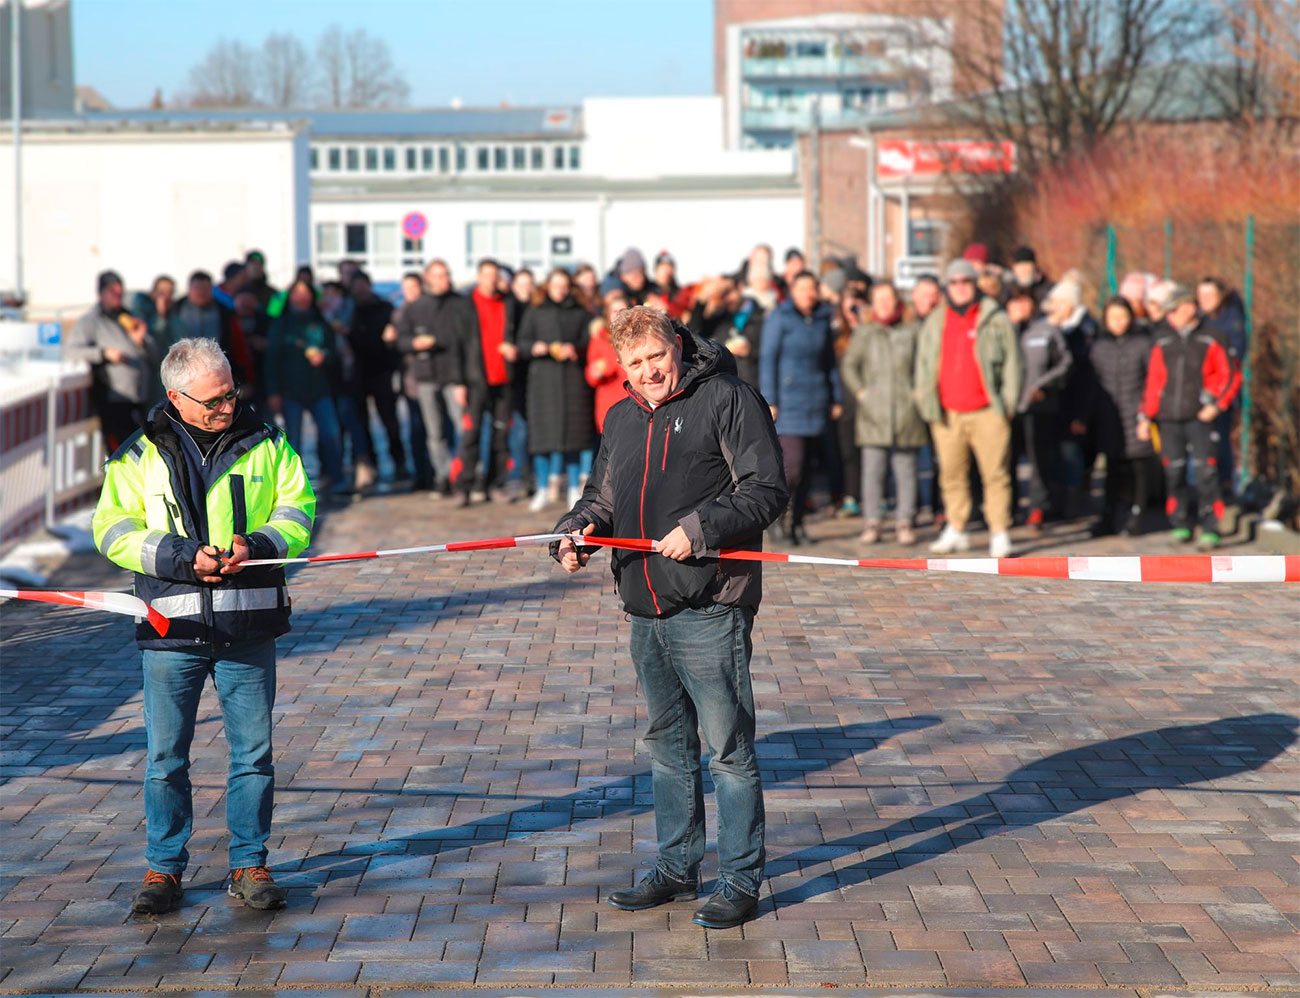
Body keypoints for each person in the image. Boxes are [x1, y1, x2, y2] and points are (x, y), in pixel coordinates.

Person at [552, 306, 787, 929]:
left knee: (728, 750)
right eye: (635, 362)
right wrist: (574, 531)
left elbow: (766, 489)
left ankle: (739, 877)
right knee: (667, 748)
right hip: (643, 604)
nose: (650, 370)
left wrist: (701, 528)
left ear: (677, 345)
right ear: (621, 368)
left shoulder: (729, 399)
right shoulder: (621, 417)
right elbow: (601, 497)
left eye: (657, 355)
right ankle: (678, 868)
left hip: (710, 603)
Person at [91, 336, 315, 915]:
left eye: (231, 395)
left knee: (254, 755)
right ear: (176, 396)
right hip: (172, 629)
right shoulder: (135, 455)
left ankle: (250, 863)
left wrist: (260, 544)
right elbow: (112, 530)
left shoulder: (267, 442)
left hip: (249, 627)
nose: (227, 408)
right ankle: (164, 869)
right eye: (214, 401)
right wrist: (178, 556)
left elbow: (298, 510)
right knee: (165, 759)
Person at [913, 258, 1023, 558]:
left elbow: (1013, 364)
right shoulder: (936, 320)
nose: (960, 287)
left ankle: (999, 531)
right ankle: (957, 528)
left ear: (974, 285)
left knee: (995, 474)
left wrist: (1008, 405)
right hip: (948, 413)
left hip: (988, 411)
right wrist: (926, 401)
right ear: (947, 287)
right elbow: (924, 364)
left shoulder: (995, 318)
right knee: (951, 474)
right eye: (954, 282)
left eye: (966, 281)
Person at [1138, 285, 1235, 549]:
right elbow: (1154, 381)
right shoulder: (1162, 339)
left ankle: (1210, 526)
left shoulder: (1213, 336)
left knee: (1206, 471)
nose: (1170, 316)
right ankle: (1180, 523)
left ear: (1190, 308)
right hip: (1169, 417)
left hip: (1200, 416)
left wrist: (1216, 403)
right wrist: (1145, 416)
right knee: (1174, 471)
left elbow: (1230, 375)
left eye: (1174, 310)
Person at [840, 281, 926, 545]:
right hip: (873, 412)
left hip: (905, 410)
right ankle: (873, 521)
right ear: (872, 304)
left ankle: (905, 521)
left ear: (897, 301)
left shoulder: (912, 330)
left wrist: (917, 392)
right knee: (873, 471)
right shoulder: (865, 333)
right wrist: (862, 392)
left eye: (889, 298)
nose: (885, 304)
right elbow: (849, 365)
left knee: (906, 470)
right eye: (880, 300)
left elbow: (924, 363)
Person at [759, 270, 842, 544]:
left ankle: (797, 523)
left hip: (816, 401)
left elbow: (830, 362)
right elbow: (768, 359)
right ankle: (777, 520)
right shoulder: (780, 318)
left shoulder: (821, 319)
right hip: (788, 404)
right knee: (791, 467)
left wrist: (836, 397)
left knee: (807, 469)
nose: (808, 293)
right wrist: (770, 399)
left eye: (812, 288)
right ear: (792, 291)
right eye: (802, 287)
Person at [392, 260, 473, 496]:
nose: (443, 279)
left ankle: (463, 474)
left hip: (455, 375)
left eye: (446, 274)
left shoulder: (459, 303)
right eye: (438, 276)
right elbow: (401, 339)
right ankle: (443, 475)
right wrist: (414, 343)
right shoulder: (416, 306)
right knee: (434, 432)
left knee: (462, 428)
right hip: (426, 375)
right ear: (428, 278)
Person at [517, 268, 595, 510]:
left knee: (574, 437)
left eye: (564, 285)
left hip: (573, 380)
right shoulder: (536, 310)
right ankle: (542, 488)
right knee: (542, 438)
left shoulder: (580, 312)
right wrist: (534, 347)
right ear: (548, 287)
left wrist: (576, 350)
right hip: (543, 381)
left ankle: (573, 488)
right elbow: (521, 343)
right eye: (555, 285)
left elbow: (588, 343)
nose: (559, 290)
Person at [264, 278, 347, 496]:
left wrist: (325, 356)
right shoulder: (281, 324)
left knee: (331, 435)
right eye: (296, 293)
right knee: (294, 442)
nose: (301, 298)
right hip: (291, 390)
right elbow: (272, 359)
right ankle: (294, 488)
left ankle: (337, 479)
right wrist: (273, 391)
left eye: (305, 293)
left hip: (320, 388)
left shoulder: (320, 322)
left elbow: (332, 350)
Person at [67, 270, 161, 452]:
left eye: (120, 292)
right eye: (112, 291)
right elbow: (71, 350)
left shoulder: (128, 317)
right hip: (114, 397)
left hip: (139, 396)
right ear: (101, 293)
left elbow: (155, 356)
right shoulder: (91, 321)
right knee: (121, 451)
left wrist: (141, 340)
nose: (118, 296)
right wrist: (103, 354)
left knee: (141, 449)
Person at [1085, 297, 1154, 536]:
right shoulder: (1098, 347)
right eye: (1112, 317)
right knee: (1112, 467)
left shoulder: (1143, 344)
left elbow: (1152, 380)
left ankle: (1137, 515)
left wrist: (1146, 414)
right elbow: (1092, 385)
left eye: (1122, 316)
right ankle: (1109, 515)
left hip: (1136, 414)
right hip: (1109, 416)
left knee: (1138, 467)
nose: (1118, 322)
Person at [1014, 284, 1075, 528]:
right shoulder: (1002, 329)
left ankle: (1038, 507)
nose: (1021, 307)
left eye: (1025, 301)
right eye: (1016, 301)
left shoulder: (1047, 331)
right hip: (1009, 407)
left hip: (1039, 407)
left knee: (1040, 460)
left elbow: (1065, 363)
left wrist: (1043, 386)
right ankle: (1009, 509)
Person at [458, 258, 518, 504]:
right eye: (487, 274)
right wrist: (458, 381)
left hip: (503, 378)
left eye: (495, 274)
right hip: (475, 379)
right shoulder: (466, 304)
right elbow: (457, 345)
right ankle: (464, 486)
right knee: (471, 434)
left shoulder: (507, 302)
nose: (491, 279)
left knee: (501, 435)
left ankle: (496, 483)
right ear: (479, 276)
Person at [348, 271, 406, 490]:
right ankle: (371, 464)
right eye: (357, 285)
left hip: (382, 371)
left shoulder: (385, 308)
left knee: (390, 421)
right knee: (362, 423)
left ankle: (399, 462)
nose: (361, 289)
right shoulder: (349, 309)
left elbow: (395, 338)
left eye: (364, 284)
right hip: (358, 375)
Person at [1196, 275, 1247, 498]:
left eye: (1209, 295)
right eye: (1200, 296)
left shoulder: (1232, 320)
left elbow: (1233, 361)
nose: (1204, 300)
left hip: (1221, 394)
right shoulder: (1198, 320)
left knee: (1222, 440)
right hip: (1197, 391)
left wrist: (1218, 399)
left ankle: (1224, 486)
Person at [176, 270, 254, 386]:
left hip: (216, 374)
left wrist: (244, 378)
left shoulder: (225, 313)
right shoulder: (176, 310)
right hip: (181, 372)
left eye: (205, 289)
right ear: (189, 289)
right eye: (197, 288)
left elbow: (238, 346)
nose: (201, 293)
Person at [586, 289, 629, 436]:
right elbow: (591, 376)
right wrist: (596, 372)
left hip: (637, 402)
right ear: (607, 315)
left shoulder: (638, 337)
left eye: (623, 310)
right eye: (614, 311)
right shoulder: (600, 339)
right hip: (610, 405)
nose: (619, 314)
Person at [132, 275, 182, 361]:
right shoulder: (142, 308)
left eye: (169, 292)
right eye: (162, 292)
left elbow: (179, 337)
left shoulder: (175, 311)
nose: (165, 297)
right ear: (153, 292)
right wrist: (160, 315)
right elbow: (149, 338)